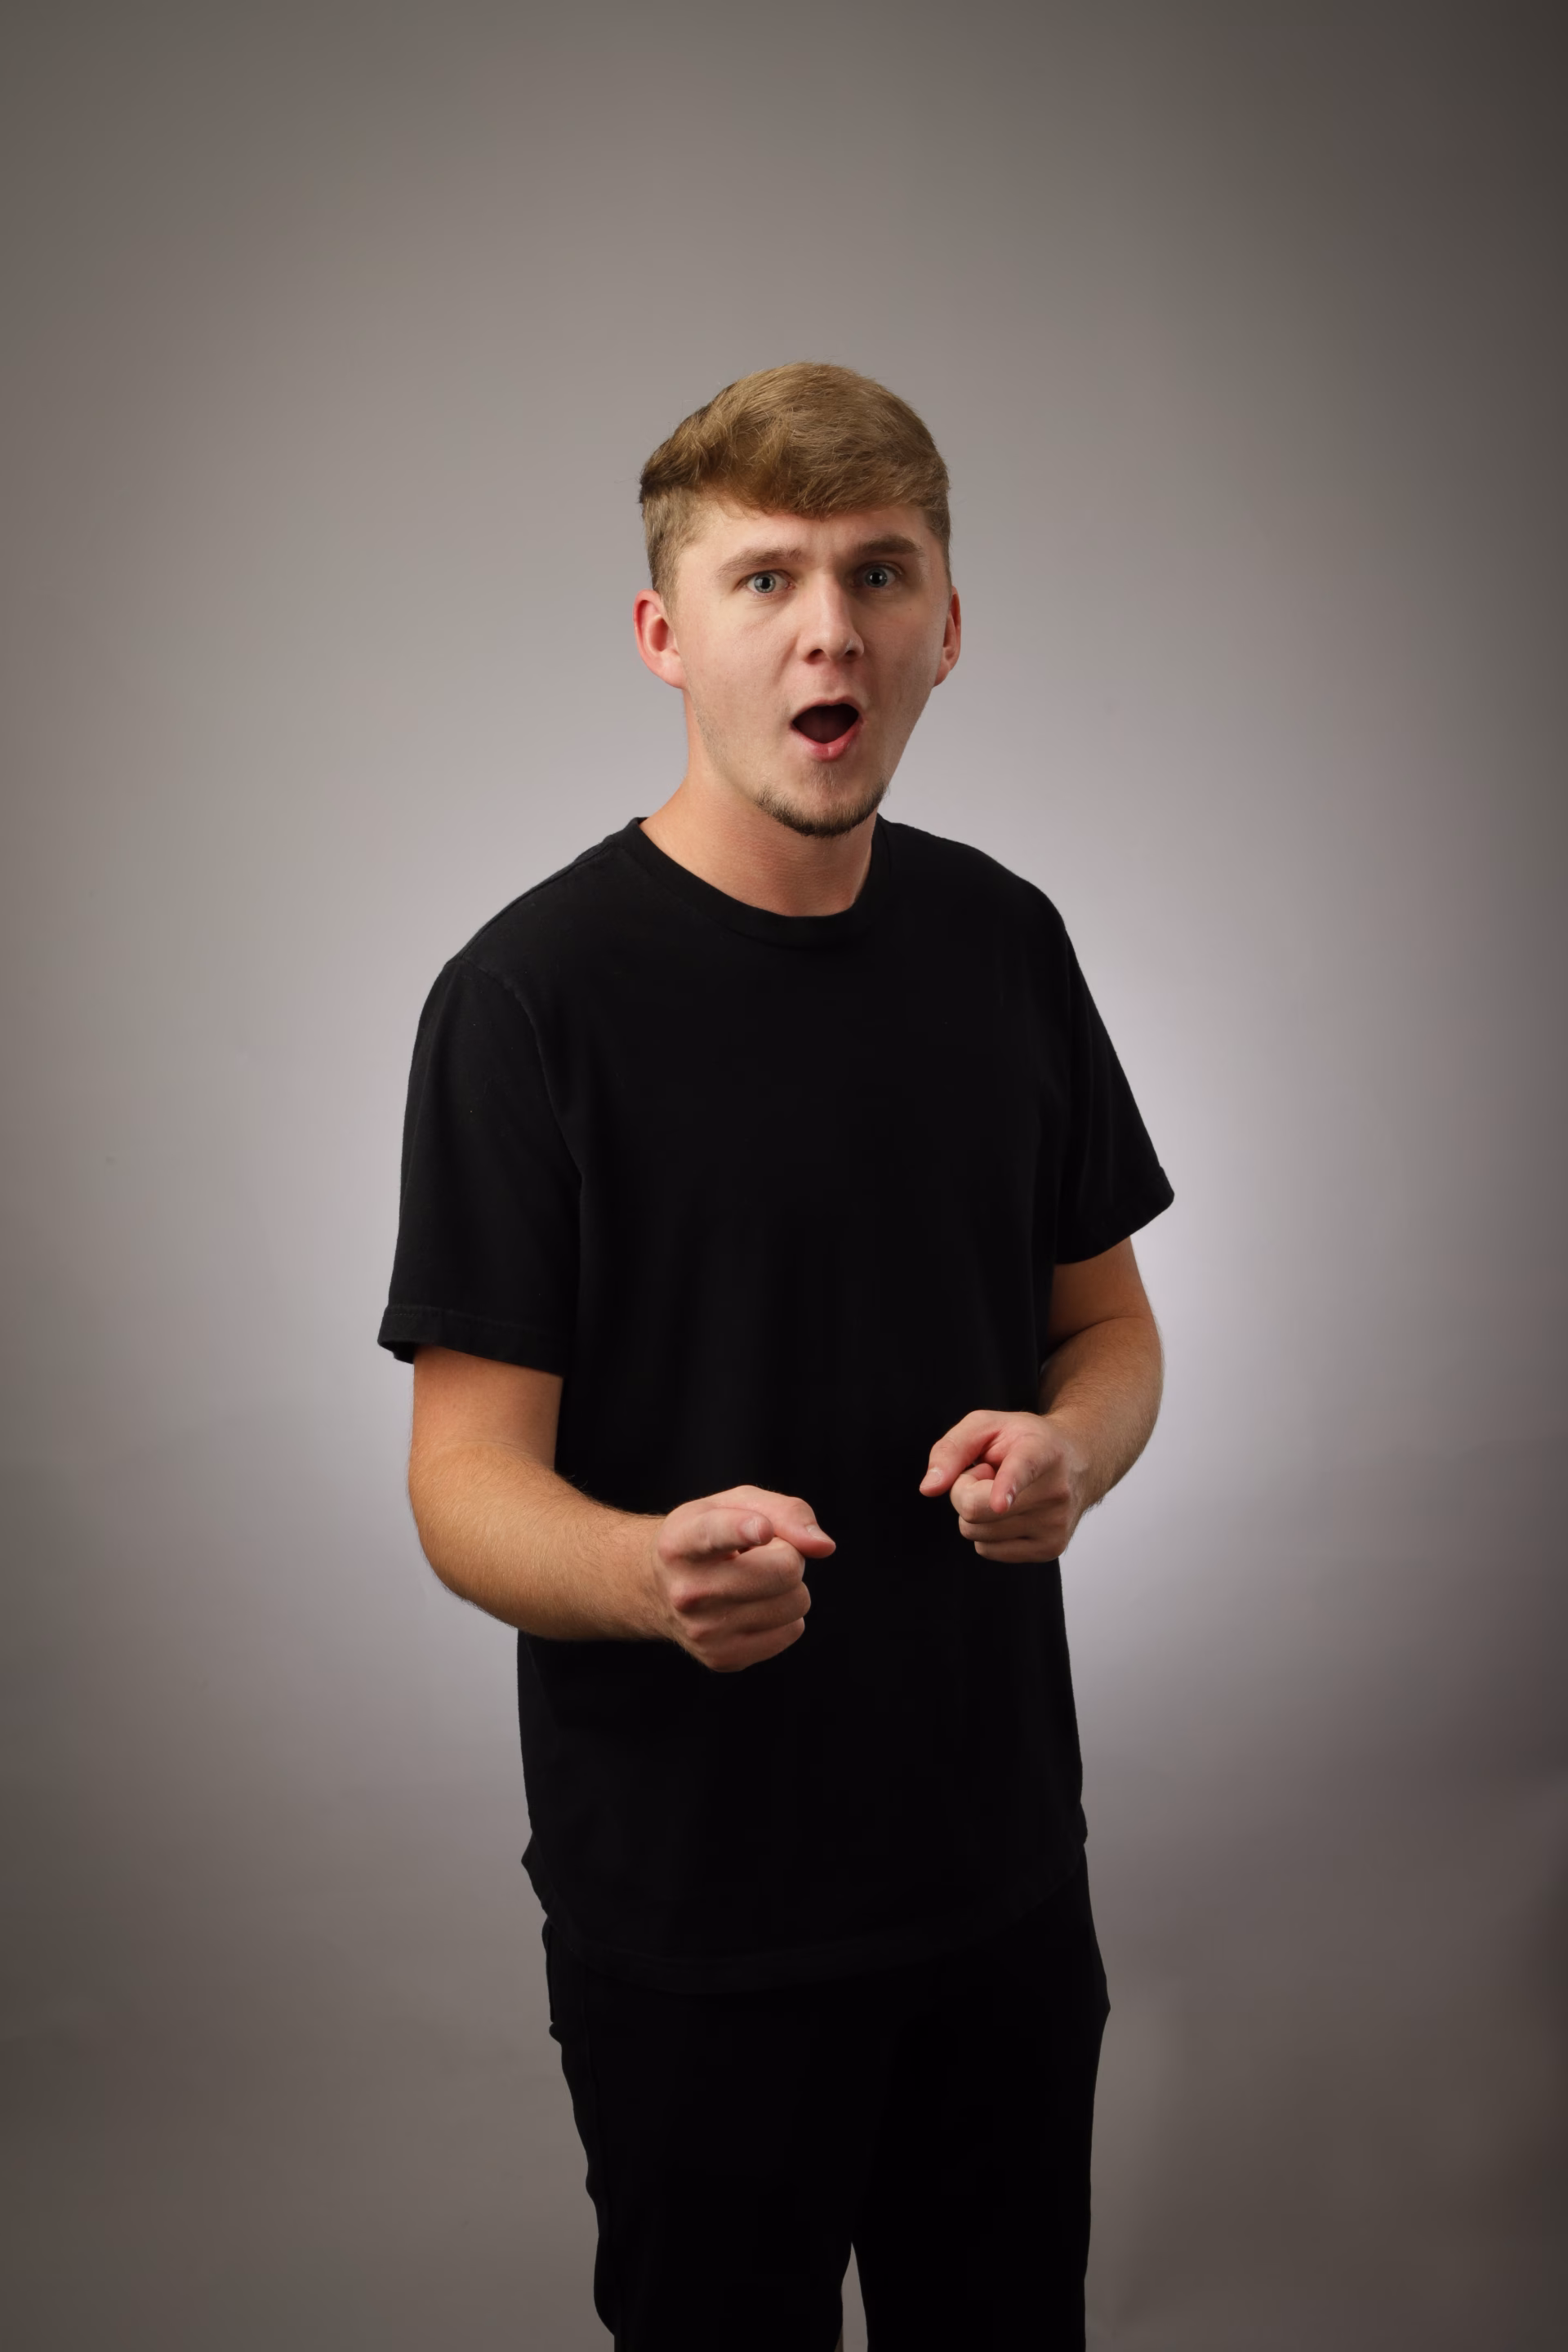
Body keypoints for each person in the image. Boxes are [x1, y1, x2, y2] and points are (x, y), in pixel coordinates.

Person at [378, 362, 1172, 2351]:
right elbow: (463, 1484)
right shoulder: (527, 1002)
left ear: (945, 628)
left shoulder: (1007, 942)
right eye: (766, 580)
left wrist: (1076, 1449)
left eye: (879, 574)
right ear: (667, 634)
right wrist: (645, 1574)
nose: (832, 629)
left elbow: (1108, 1331)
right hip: (697, 1918)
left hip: (1001, 1878)